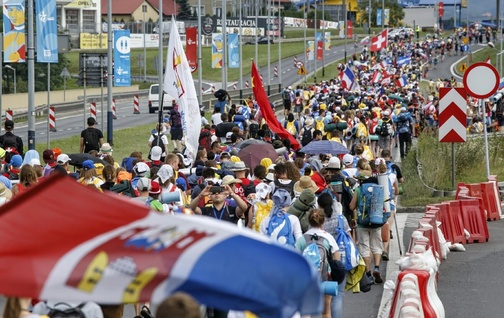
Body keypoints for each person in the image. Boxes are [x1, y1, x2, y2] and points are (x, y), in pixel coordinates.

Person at [295, 209, 341, 318]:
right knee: (326, 311)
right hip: (325, 277)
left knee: (306, 311)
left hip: (306, 279)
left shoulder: (302, 238)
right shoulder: (328, 237)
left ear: (308, 221)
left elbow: (296, 259)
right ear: (323, 221)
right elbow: (337, 260)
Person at [349, 167, 384, 285]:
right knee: (377, 245)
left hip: (362, 223)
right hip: (377, 221)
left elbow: (351, 206)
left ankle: (368, 274)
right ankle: (377, 267)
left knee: (364, 247)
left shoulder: (359, 190)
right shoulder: (379, 189)